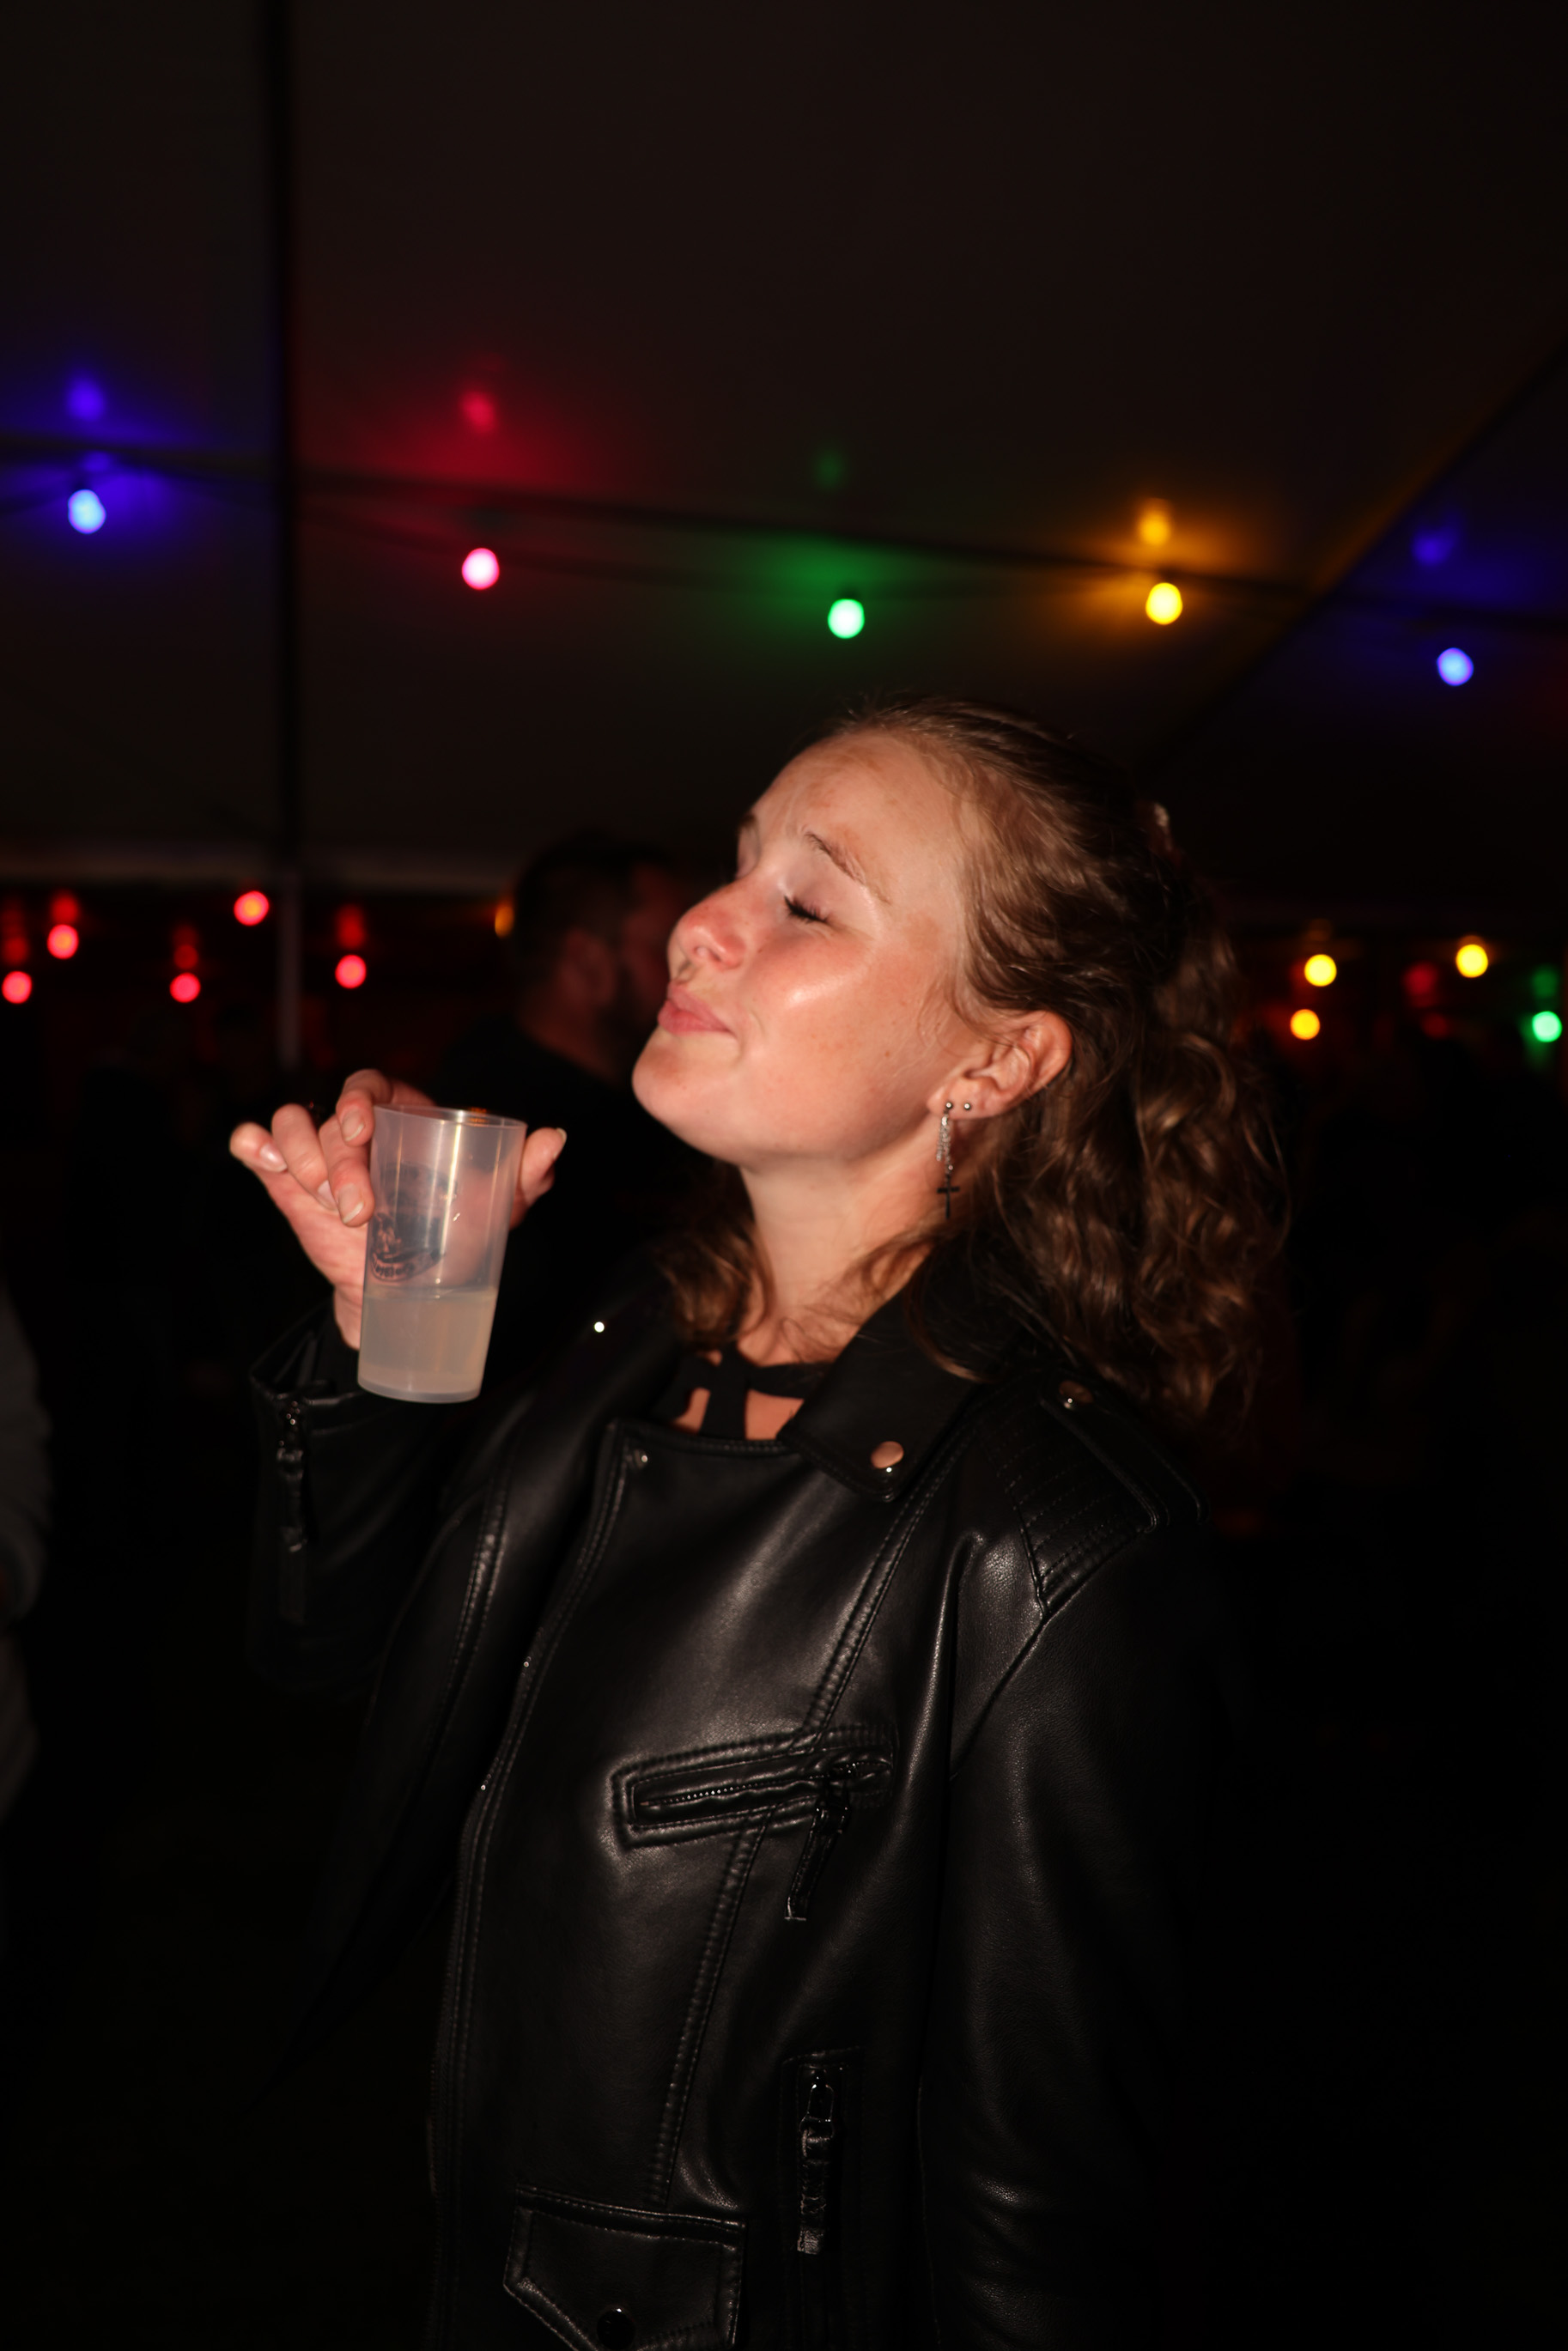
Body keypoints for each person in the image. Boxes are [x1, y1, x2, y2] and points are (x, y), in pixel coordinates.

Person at [231, 696, 1279, 2347]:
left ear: (996, 1058)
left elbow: (1039, 2233)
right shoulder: (622, 1340)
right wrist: (385, 1340)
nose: (703, 926)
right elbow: (335, 1666)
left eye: (807, 901)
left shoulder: (1053, 1543)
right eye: (735, 865)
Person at [436, 832, 699, 1384]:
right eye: (668, 946)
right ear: (588, 960)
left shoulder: (649, 1112)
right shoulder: (478, 1126)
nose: (691, 971)